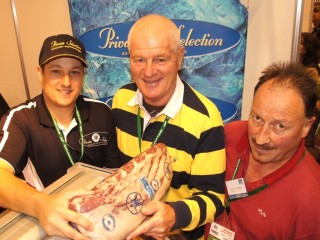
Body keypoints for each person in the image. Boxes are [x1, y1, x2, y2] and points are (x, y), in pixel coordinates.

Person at [112, 14, 226, 240]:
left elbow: (214, 199)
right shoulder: (120, 100)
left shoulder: (206, 119)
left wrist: (173, 215)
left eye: (160, 59)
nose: (149, 71)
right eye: (139, 59)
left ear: (180, 57)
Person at [0, 34, 120, 239]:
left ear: (83, 76)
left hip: (97, 223)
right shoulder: (21, 118)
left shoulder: (101, 113)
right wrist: (42, 205)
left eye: (75, 72)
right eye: (56, 72)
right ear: (40, 73)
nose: (66, 82)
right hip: (47, 225)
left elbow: (113, 175)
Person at [205, 61, 320, 239]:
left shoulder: (311, 201)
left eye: (280, 126)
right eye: (257, 118)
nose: (260, 138)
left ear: (306, 126)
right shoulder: (231, 136)